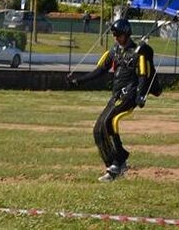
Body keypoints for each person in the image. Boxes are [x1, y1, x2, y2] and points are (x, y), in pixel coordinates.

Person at [67, 18, 158, 182]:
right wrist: (79, 80)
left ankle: (119, 160)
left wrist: (140, 96)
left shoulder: (138, 52)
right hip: (116, 96)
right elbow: (100, 70)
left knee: (109, 122)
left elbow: (144, 76)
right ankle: (113, 165)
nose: (116, 38)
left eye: (119, 35)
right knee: (97, 129)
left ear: (127, 34)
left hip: (129, 95)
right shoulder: (115, 51)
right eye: (114, 35)